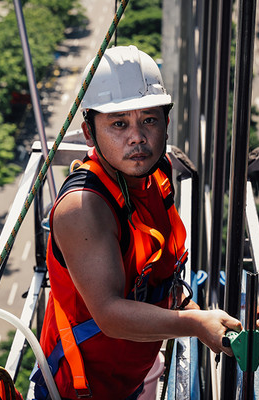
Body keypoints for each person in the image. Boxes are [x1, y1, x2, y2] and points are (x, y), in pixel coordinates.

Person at [31, 45, 241, 400]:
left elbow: (154, 277)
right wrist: (194, 324)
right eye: (118, 123)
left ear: (166, 124)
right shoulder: (83, 208)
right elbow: (110, 315)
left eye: (149, 119)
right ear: (88, 133)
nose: (137, 137)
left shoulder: (157, 174)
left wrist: (201, 315)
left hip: (131, 371)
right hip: (80, 390)